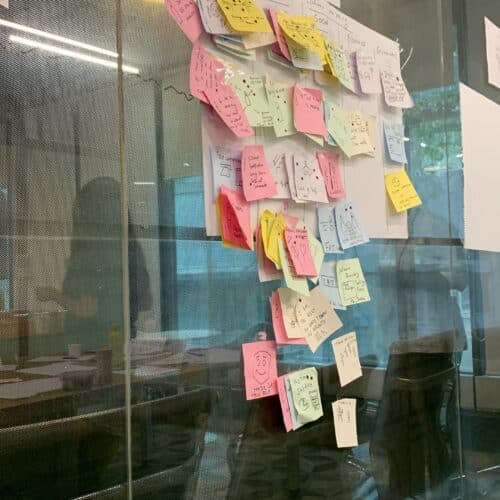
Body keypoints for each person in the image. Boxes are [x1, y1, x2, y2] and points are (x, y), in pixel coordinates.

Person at [36, 177, 151, 351]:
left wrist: (52, 294)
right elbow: (146, 301)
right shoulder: (130, 245)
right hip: (122, 340)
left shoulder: (92, 249)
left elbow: (87, 309)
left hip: (92, 344)